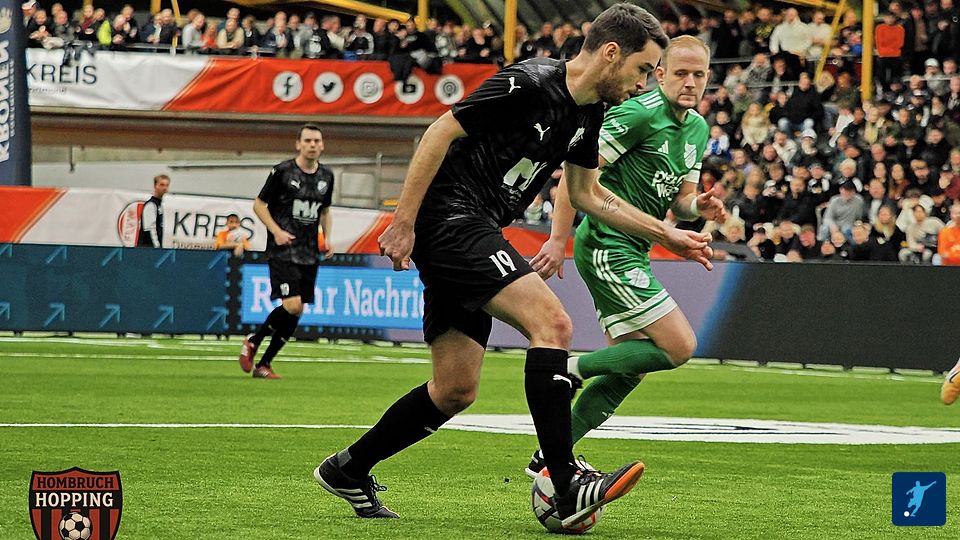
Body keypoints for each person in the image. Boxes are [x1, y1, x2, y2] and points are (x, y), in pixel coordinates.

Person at [313, 4, 713, 527]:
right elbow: (439, 132)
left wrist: (667, 234)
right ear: (611, 53)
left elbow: (588, 195)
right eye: (642, 69)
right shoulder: (530, 82)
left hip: (476, 226)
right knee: (553, 323)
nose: (644, 84)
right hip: (451, 218)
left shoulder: (590, 112)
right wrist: (403, 221)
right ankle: (564, 483)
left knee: (455, 389)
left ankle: (347, 468)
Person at [525, 35, 723, 473]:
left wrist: (698, 207)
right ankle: (569, 370)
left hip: (634, 247)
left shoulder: (697, 128)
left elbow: (680, 201)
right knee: (679, 346)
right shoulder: (638, 114)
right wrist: (558, 240)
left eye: (699, 75)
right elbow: (576, 176)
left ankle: (550, 457)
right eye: (681, 73)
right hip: (606, 245)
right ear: (660, 75)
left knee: (631, 366)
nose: (690, 82)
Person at [238, 124, 334, 379]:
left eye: (317, 141)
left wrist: (327, 238)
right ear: (298, 144)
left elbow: (325, 211)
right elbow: (259, 205)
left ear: (322, 145)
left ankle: (264, 364)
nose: (312, 145)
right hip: (283, 250)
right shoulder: (282, 171)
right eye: (308, 140)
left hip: (309, 252)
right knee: (292, 305)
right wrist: (276, 231)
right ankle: (253, 340)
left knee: (298, 309)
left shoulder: (327, 176)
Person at [137, 175, 169, 248]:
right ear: (155, 186)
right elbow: (149, 229)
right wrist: (157, 248)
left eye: (167, 185)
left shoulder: (159, 205)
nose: (164, 188)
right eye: (162, 185)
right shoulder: (151, 205)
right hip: (147, 248)